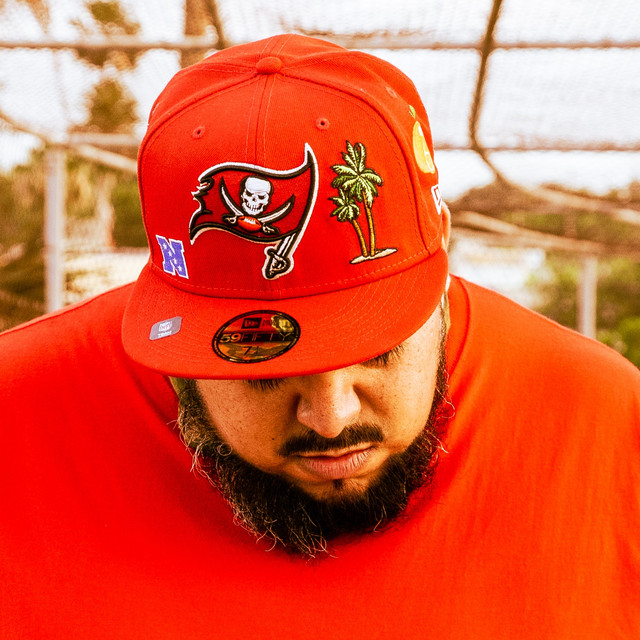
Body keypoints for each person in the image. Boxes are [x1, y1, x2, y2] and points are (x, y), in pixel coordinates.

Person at [1, 34, 638, 640]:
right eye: (261, 362)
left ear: (441, 245)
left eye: (377, 344)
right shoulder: (17, 418)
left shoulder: (607, 426)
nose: (331, 419)